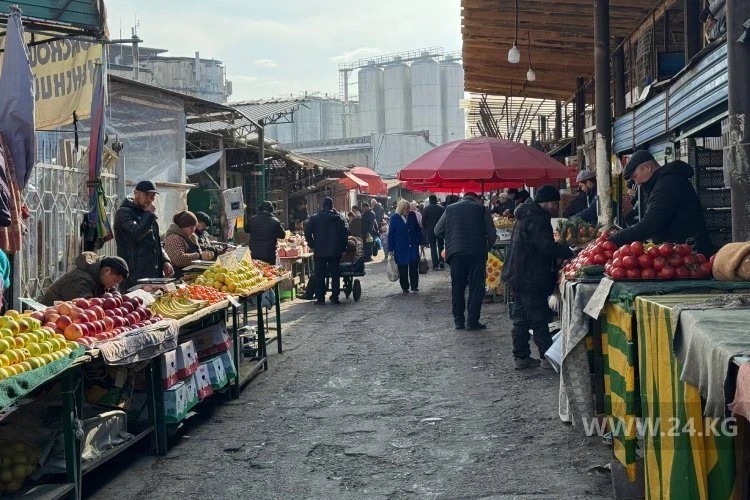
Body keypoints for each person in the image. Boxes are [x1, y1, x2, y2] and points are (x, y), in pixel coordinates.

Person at [501, 185, 574, 370]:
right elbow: (545, 246)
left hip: (517, 273)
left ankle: (521, 357)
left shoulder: (526, 214)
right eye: (554, 203)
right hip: (529, 276)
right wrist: (568, 252)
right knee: (538, 317)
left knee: (521, 317)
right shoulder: (537, 217)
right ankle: (547, 357)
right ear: (546, 202)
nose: (556, 207)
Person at [608, 150, 714, 256]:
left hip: (691, 253)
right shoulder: (661, 183)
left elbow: (650, 225)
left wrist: (614, 240)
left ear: (648, 167)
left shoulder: (667, 184)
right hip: (680, 252)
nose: (637, 182)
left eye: (635, 176)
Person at [434, 192, 496, 330]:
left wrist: (450, 239)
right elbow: (492, 235)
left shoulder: (450, 209)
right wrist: (486, 248)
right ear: (476, 199)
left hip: (456, 253)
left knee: (457, 286)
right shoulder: (482, 209)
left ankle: (459, 321)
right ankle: (472, 322)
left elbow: (437, 230)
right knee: (476, 288)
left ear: (463, 198)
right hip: (477, 253)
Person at [114, 180, 173, 290]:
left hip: (153, 273)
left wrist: (165, 260)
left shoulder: (147, 214)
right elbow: (136, 234)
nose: (149, 199)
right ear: (135, 193)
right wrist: (148, 214)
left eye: (152, 197)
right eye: (146, 195)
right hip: (134, 274)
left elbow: (156, 242)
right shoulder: (124, 213)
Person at [305, 197, 348, 305]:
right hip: (335, 252)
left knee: (320, 275)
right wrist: (343, 249)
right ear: (332, 206)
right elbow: (344, 235)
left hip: (320, 251)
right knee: (335, 275)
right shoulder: (339, 219)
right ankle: (335, 297)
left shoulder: (314, 218)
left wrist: (312, 245)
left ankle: (320, 298)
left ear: (322, 206)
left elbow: (307, 233)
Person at [41, 252, 129, 305]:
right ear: (107, 271)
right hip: (49, 320)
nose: (114, 285)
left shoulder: (99, 280)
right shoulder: (80, 280)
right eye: (115, 281)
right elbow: (86, 307)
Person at [164, 211, 214, 279]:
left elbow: (199, 252)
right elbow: (179, 259)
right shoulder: (173, 238)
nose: (193, 230)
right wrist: (199, 256)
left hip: (190, 277)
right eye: (191, 227)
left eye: (194, 227)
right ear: (183, 226)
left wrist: (206, 255)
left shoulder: (191, 237)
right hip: (177, 278)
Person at [388, 200, 424, 293]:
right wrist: (390, 249)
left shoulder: (412, 215)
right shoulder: (394, 218)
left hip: (413, 245)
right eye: (405, 209)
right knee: (402, 267)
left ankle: (414, 286)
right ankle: (405, 287)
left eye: (408, 208)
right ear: (401, 209)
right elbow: (391, 235)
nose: (408, 210)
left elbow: (418, 229)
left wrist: (421, 242)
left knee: (414, 266)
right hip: (400, 247)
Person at [246, 201, 286, 265]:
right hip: (269, 254)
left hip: (254, 253)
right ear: (271, 209)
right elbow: (282, 235)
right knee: (269, 270)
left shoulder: (251, 220)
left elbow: (246, 230)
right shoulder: (275, 221)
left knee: (256, 269)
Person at [422, 195, 446, 270]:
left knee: (433, 247)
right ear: (436, 200)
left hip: (430, 230)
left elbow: (423, 221)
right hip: (440, 230)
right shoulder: (441, 208)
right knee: (441, 246)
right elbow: (445, 220)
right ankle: (441, 262)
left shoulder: (426, 209)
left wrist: (427, 227)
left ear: (429, 200)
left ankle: (435, 265)